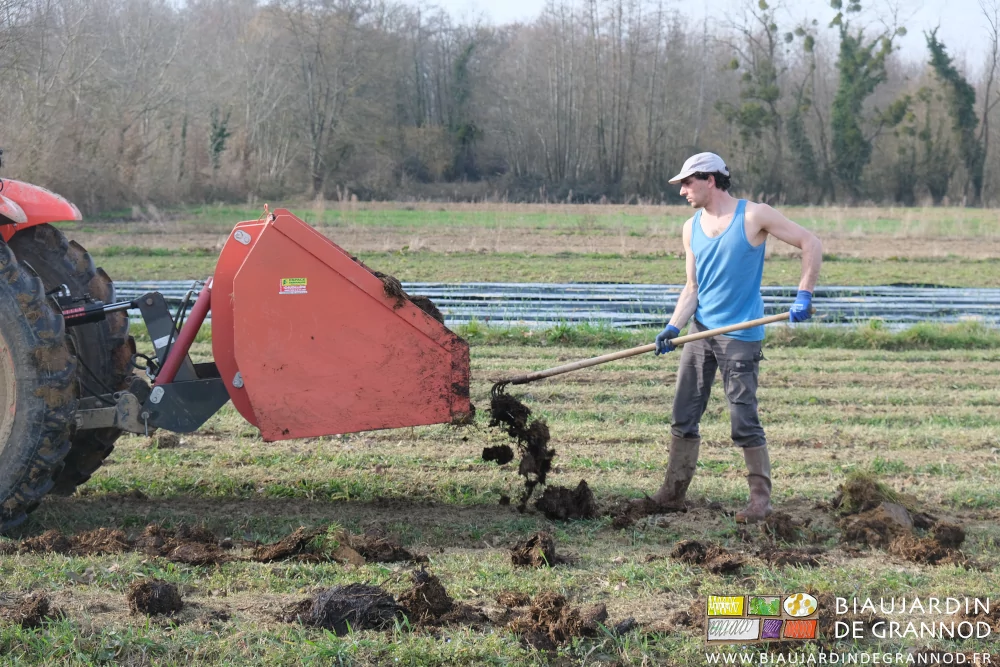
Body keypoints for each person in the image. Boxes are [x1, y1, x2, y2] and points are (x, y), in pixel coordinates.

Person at [648, 152, 822, 523]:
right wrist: (673, 327)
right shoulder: (690, 227)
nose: (681, 191)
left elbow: (811, 242)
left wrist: (804, 293)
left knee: (743, 418)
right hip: (701, 333)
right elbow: (692, 287)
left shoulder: (753, 215)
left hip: (740, 334)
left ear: (710, 179)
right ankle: (673, 493)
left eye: (687, 183)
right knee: (683, 414)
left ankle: (760, 499)